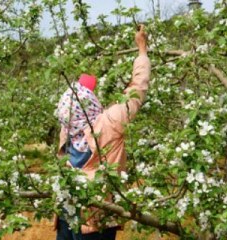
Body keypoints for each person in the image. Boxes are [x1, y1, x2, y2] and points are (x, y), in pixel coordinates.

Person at [55, 25, 151, 240]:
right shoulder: (109, 123)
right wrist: (142, 50)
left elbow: (78, 97)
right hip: (95, 217)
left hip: (67, 210)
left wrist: (88, 70)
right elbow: (138, 89)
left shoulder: (67, 128)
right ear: (90, 103)